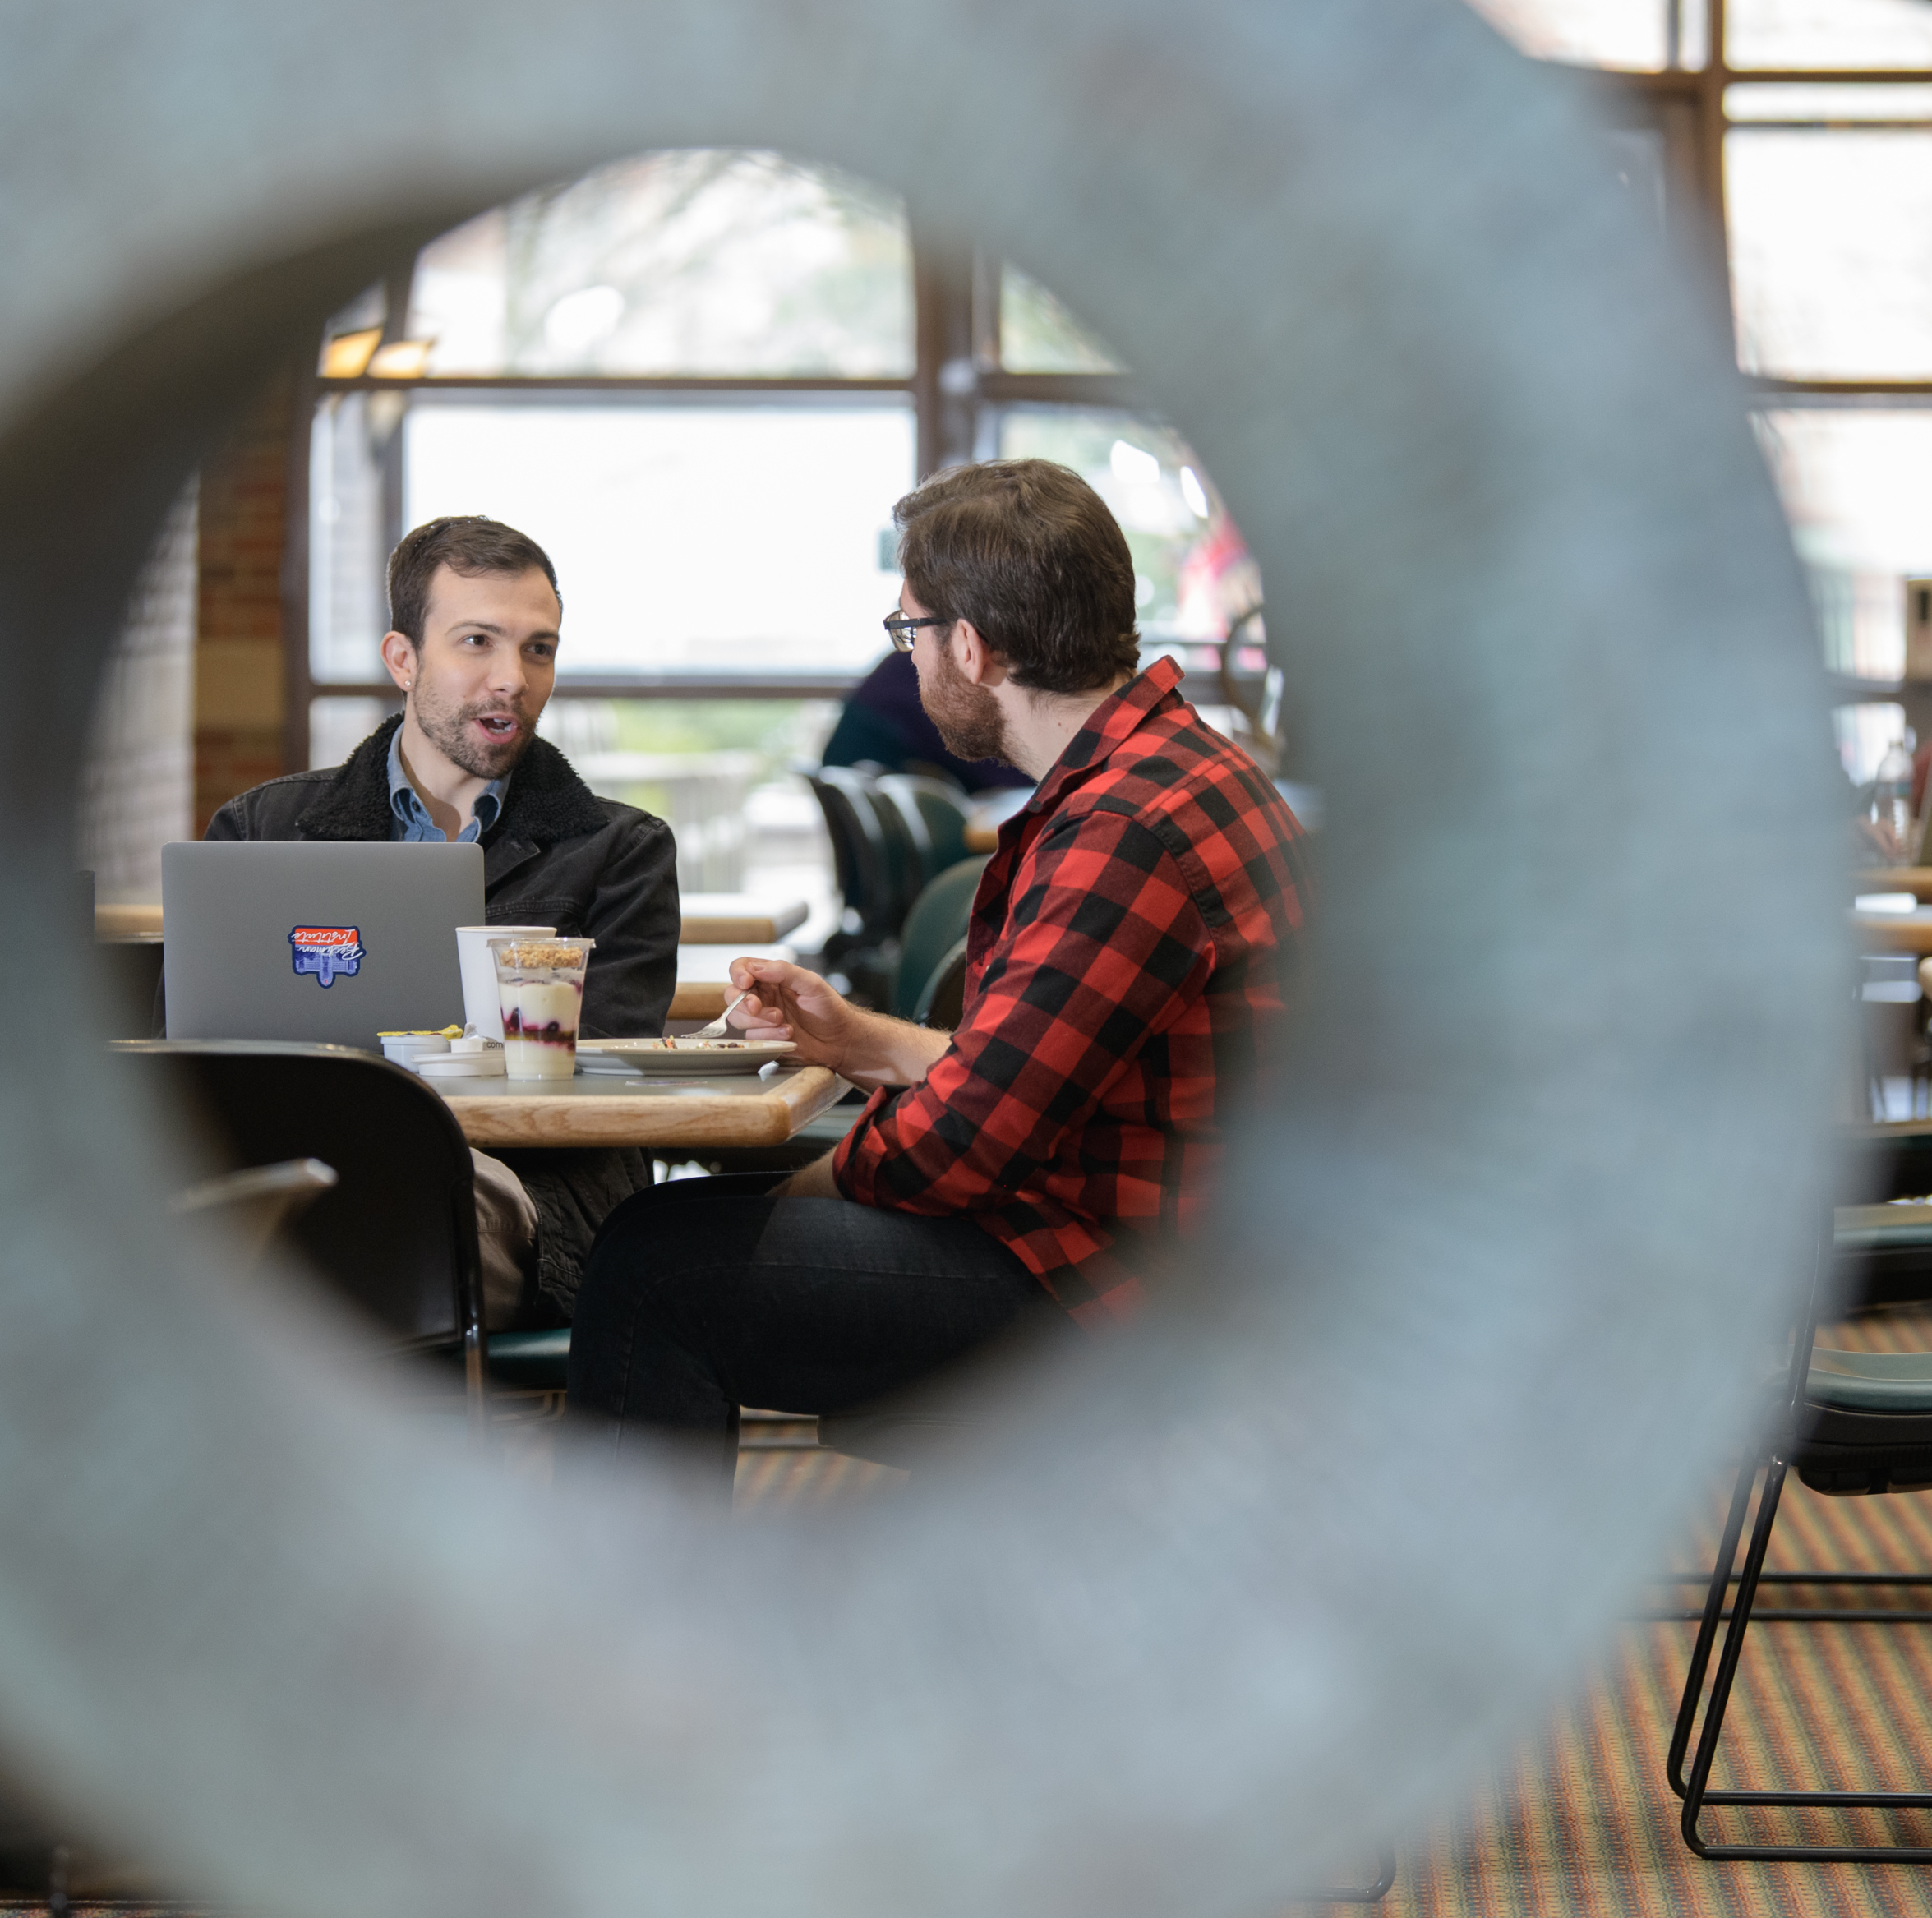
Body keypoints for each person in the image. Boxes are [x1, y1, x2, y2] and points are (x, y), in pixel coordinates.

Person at [568, 459, 1312, 1475]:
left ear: (970, 647)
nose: (909, 659)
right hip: (1172, 1247)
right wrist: (866, 1040)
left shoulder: (1123, 827)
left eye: (908, 630)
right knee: (668, 1232)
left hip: (1119, 1291)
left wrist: (797, 1194)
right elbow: (1044, 1068)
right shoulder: (1172, 771)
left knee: (655, 1266)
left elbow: (962, 1145)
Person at [204, 515, 680, 1327]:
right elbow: (195, 1064)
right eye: (476, 642)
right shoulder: (262, 831)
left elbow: (595, 1093)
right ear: (403, 659)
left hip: (521, 1190)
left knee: (338, 1238)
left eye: (539, 648)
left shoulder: (620, 850)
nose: (513, 679)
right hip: (292, 1169)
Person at [818, 648, 1026, 794]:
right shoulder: (926, 668)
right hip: (882, 789)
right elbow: (974, 755)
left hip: (863, 794)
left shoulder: (905, 663)